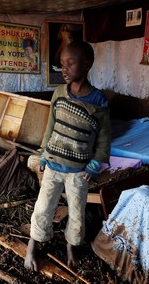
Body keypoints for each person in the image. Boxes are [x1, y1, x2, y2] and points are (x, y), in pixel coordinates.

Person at [25, 41, 111, 271]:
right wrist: (43, 154)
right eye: (62, 64)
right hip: (53, 165)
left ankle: (72, 246)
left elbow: (104, 139)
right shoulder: (59, 94)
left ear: (87, 64)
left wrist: (94, 165)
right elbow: (50, 126)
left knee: (77, 213)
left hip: (78, 172)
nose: (64, 69)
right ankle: (32, 246)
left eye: (70, 63)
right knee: (43, 207)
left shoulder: (99, 101)